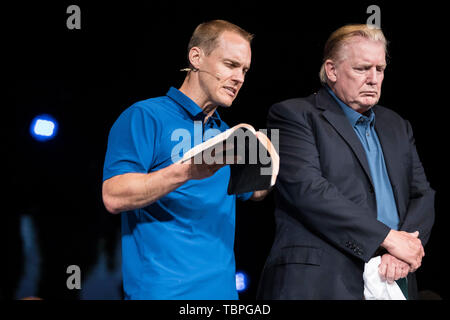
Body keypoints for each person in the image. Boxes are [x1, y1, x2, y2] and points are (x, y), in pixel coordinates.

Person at [257, 24, 435, 300]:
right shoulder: (293, 115)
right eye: (363, 68)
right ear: (332, 70)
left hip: (392, 275)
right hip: (320, 280)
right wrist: (387, 238)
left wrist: (405, 249)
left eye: (380, 69)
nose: (374, 79)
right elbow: (309, 191)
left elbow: (422, 194)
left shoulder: (397, 125)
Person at [102, 20, 268, 300]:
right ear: (196, 58)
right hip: (163, 294)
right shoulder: (145, 116)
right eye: (230, 64)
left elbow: (254, 193)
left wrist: (268, 161)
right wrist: (187, 171)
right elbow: (114, 196)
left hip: (224, 295)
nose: (239, 78)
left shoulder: (227, 134)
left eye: (245, 70)